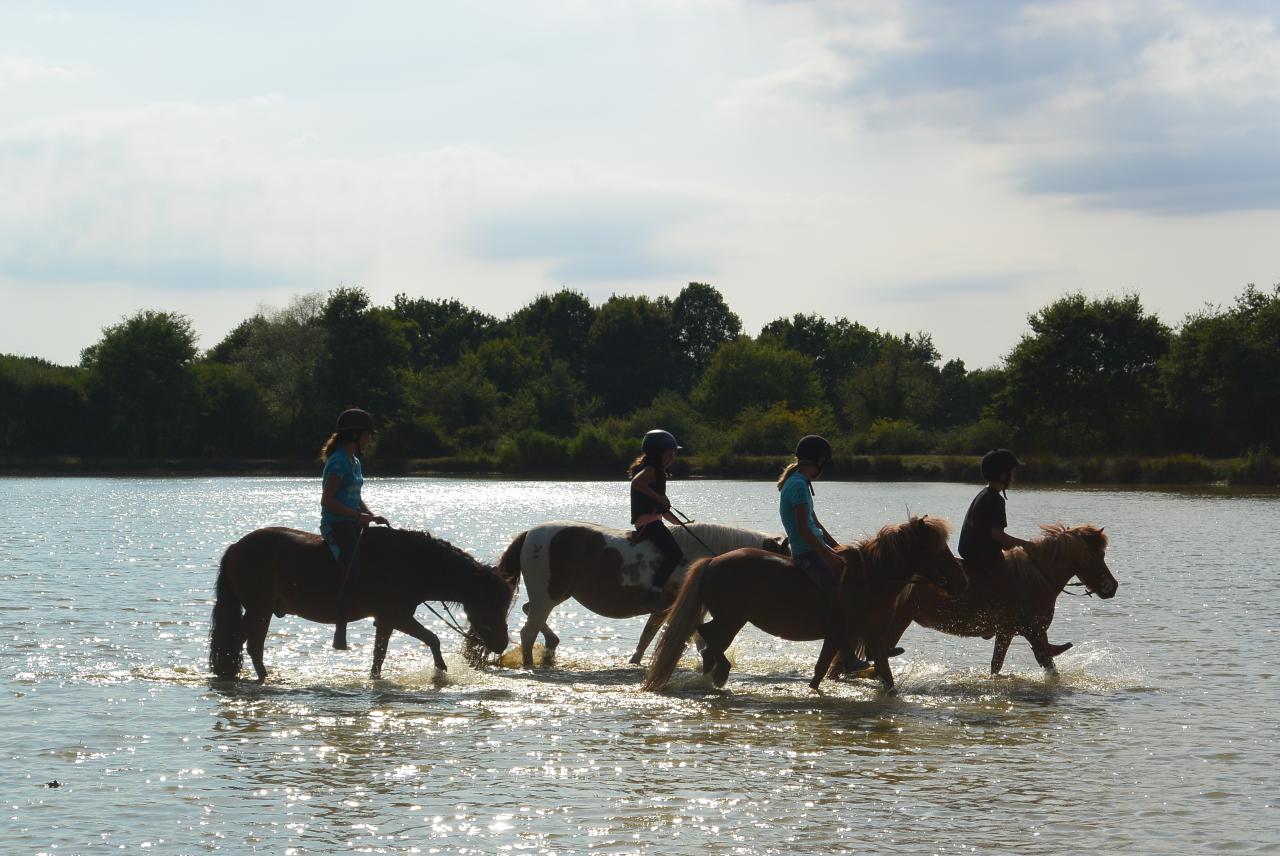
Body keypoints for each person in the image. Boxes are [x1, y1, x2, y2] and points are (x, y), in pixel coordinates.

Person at [957, 448, 1071, 657]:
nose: (1014, 476)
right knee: (1020, 595)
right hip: (984, 557)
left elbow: (992, 535)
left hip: (975, 552)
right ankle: (1040, 644)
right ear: (1003, 474)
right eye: (1012, 471)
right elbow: (996, 534)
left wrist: (1012, 545)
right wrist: (1025, 545)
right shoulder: (995, 500)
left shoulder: (984, 494)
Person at [778, 434, 871, 687]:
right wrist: (826, 553)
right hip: (806, 551)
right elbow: (804, 530)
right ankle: (850, 658)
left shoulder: (801, 483)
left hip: (814, 547)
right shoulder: (797, 485)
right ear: (818, 461)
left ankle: (867, 645)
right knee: (835, 593)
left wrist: (838, 547)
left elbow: (816, 524)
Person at [320, 407, 388, 651]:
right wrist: (357, 516)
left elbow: (355, 496)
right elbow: (328, 500)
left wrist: (370, 515)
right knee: (352, 567)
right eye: (367, 435)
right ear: (354, 435)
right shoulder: (338, 462)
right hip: (336, 524)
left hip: (353, 520)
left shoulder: (355, 461)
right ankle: (340, 631)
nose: (370, 440)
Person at [629, 429, 686, 606]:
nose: (672, 458)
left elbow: (662, 510)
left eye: (673, 454)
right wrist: (658, 497)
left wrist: (683, 524)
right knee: (675, 554)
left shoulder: (656, 472)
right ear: (657, 453)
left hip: (652, 521)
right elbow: (636, 483)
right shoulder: (652, 470)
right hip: (649, 524)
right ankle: (655, 591)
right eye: (669, 454)